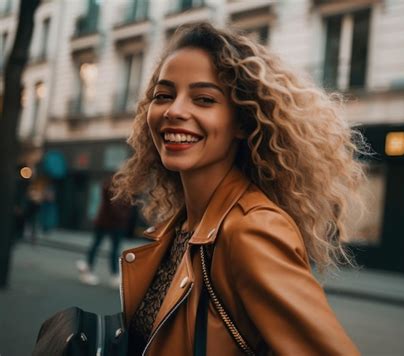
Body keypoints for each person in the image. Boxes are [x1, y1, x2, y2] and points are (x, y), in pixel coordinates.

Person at [112, 22, 365, 355]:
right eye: (164, 95)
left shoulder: (251, 229)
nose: (174, 111)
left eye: (203, 99)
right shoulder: (184, 225)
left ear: (243, 123)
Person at [77, 176, 132, 287]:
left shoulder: (121, 190)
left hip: (112, 223)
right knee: (104, 246)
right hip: (107, 222)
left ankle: (110, 273)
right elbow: (114, 207)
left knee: (108, 247)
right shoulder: (110, 189)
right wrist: (123, 216)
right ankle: (91, 269)